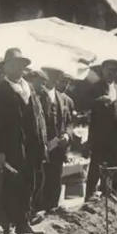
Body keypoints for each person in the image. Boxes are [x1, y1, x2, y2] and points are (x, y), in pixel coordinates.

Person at [0, 48, 47, 234]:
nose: (17, 69)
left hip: (32, 145)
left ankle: (24, 220)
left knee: (32, 182)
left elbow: (39, 118)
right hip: (11, 146)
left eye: (20, 66)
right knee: (12, 184)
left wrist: (42, 142)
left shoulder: (29, 90)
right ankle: (11, 226)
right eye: (13, 65)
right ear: (5, 68)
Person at [87, 59, 117, 199]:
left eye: (114, 71)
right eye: (108, 70)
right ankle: (90, 194)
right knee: (96, 164)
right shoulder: (95, 88)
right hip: (100, 133)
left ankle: (111, 193)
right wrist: (98, 101)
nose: (111, 73)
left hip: (116, 132)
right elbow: (85, 105)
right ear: (103, 70)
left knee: (114, 164)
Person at [35, 68, 74, 213]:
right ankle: (37, 211)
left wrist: (67, 135)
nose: (51, 80)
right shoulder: (35, 96)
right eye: (49, 77)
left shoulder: (65, 100)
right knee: (40, 180)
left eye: (55, 77)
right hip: (41, 146)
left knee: (55, 179)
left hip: (58, 147)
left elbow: (70, 123)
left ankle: (52, 208)